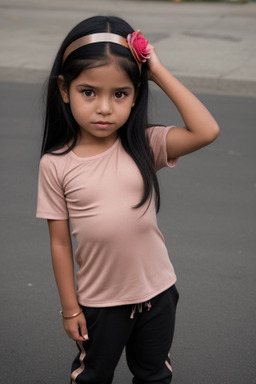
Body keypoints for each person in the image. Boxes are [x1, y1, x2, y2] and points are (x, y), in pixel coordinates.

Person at [36, 15, 219, 384]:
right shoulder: (56, 164)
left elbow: (206, 130)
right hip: (100, 302)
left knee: (153, 375)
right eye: (89, 92)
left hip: (158, 292)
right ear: (64, 89)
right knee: (93, 375)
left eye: (120, 94)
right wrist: (70, 310)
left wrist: (158, 71)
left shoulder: (144, 145)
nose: (105, 108)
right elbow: (58, 242)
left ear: (136, 95)